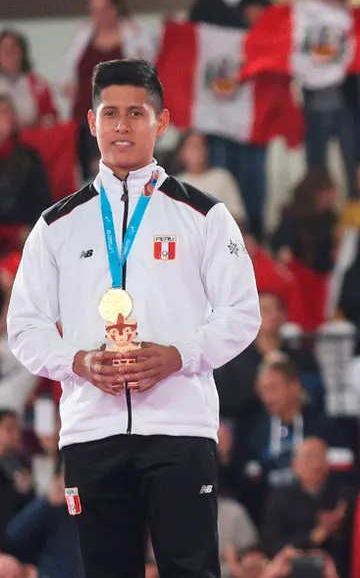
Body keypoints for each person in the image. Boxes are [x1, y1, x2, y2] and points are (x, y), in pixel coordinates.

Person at [6, 58, 261, 578]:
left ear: (161, 122)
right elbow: (24, 328)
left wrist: (179, 356)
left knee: (191, 569)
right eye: (111, 113)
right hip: (90, 432)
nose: (122, 125)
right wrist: (77, 362)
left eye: (136, 113)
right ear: (91, 122)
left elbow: (242, 313)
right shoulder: (56, 225)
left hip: (180, 426)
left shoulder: (204, 214)